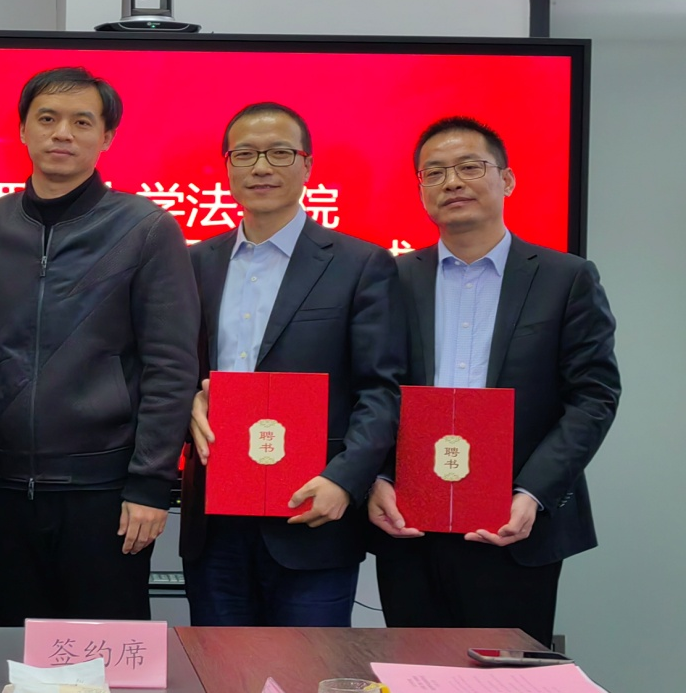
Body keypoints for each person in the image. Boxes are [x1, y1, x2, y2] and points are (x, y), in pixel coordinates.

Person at [0, 66, 200, 624]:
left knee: (108, 651)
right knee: (18, 644)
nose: (62, 133)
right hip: (1, 488)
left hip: (105, 490)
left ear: (106, 137)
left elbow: (171, 366)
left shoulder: (146, 229)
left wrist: (151, 484)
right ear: (22, 130)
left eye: (82, 122)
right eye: (47, 118)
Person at [369, 116, 619, 647]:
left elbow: (593, 397)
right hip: (410, 523)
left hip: (514, 523)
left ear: (506, 180)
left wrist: (533, 493)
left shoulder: (566, 278)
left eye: (468, 167)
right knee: (413, 670)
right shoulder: (392, 277)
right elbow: (371, 388)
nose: (451, 182)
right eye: (434, 172)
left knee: (505, 676)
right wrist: (378, 478)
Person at [181, 102, 406, 627]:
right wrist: (186, 399)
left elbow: (381, 389)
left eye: (280, 153)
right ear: (227, 167)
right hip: (214, 517)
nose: (261, 167)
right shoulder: (193, 262)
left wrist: (344, 481)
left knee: (309, 665)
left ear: (307, 166)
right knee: (218, 665)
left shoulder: (360, 264)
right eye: (245, 154)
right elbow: (173, 370)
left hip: (312, 509)